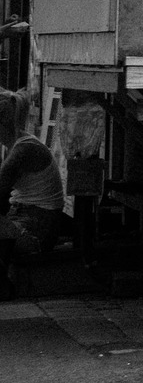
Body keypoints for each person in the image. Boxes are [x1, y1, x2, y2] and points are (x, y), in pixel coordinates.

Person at [0, 88, 65, 296]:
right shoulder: (13, 145)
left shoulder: (23, 150)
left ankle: (4, 286)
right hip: (23, 221)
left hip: (35, 234)